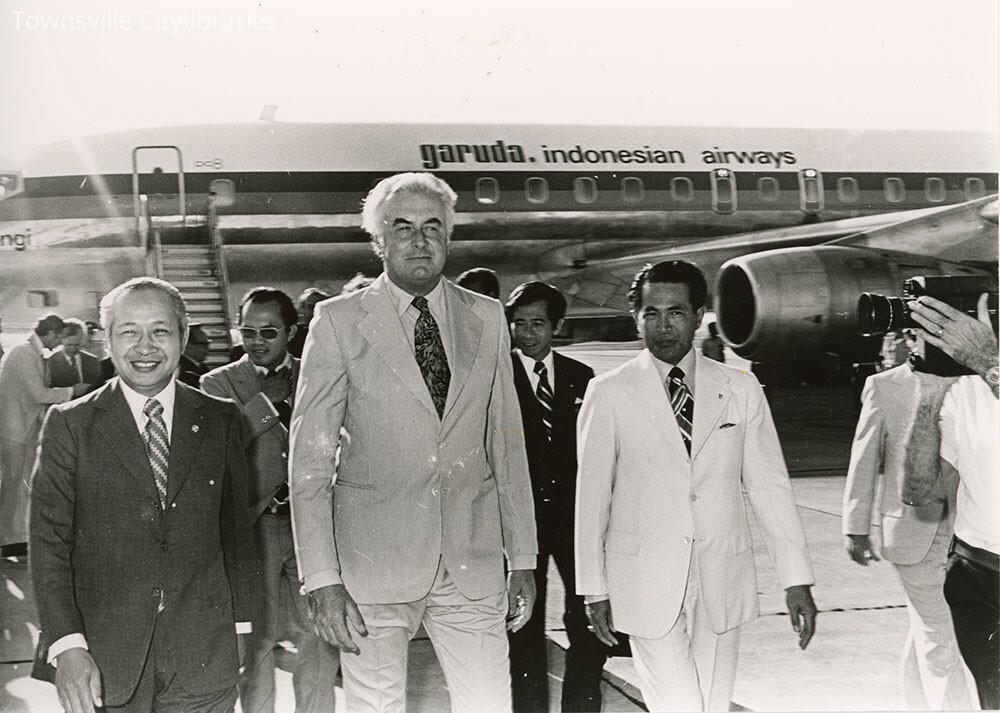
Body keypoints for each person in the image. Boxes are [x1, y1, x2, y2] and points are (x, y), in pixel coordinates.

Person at [289, 172, 538, 713]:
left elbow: (507, 445)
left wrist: (522, 557)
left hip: (471, 562)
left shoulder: (488, 317)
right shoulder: (337, 322)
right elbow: (309, 467)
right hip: (371, 566)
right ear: (378, 241)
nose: (419, 241)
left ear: (449, 236)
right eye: (402, 228)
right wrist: (323, 579)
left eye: (432, 227)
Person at [575, 260, 817, 712]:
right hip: (643, 578)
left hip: (721, 576)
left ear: (699, 313)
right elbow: (591, 501)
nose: (663, 326)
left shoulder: (740, 388)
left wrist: (796, 579)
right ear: (636, 317)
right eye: (651, 313)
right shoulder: (607, 391)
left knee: (713, 701)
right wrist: (594, 589)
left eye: (676, 313)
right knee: (679, 703)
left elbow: (769, 488)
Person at [29, 277, 260, 713]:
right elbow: (48, 546)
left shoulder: (221, 419)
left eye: (160, 331)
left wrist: (241, 625)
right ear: (107, 340)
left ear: (183, 337)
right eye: (129, 331)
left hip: (204, 655)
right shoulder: (70, 426)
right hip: (105, 659)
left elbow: (236, 536)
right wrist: (67, 645)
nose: (145, 347)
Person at [201, 287, 338, 713]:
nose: (256, 341)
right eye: (247, 331)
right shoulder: (217, 382)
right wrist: (269, 405)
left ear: (291, 332)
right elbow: (222, 443)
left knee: (319, 634)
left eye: (268, 332)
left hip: (311, 526)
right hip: (254, 528)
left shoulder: (319, 372)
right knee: (255, 641)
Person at [842, 361, 972, 709]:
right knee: (944, 640)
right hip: (912, 530)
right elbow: (864, 455)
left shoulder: (973, 379)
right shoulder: (884, 385)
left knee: (927, 633)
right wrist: (856, 525)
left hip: (967, 534)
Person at [504, 281, 607, 712]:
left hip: (573, 519)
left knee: (587, 619)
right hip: (519, 522)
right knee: (523, 625)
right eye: (519, 324)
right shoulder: (498, 377)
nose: (527, 334)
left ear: (557, 326)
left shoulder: (580, 377)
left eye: (538, 324)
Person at [902, 293, 999, 709]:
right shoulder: (970, 385)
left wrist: (990, 364)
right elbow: (920, 491)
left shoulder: (986, 368)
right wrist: (927, 396)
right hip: (979, 576)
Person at [0, 314, 87, 559]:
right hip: (14, 431)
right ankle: (9, 540)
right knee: (13, 485)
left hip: (24, 430)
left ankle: (18, 539)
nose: (59, 342)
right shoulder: (23, 353)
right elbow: (39, 394)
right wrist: (73, 391)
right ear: (50, 333)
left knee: (22, 484)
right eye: (59, 337)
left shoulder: (32, 353)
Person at [46, 318, 104, 390]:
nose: (73, 349)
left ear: (82, 340)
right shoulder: (50, 362)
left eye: (77, 345)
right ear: (60, 340)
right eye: (69, 345)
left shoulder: (93, 361)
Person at [287, 287, 331, 358]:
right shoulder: (294, 335)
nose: (315, 311)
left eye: (320, 307)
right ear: (303, 309)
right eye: (311, 307)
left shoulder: (334, 332)